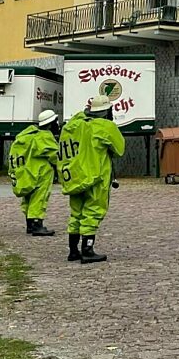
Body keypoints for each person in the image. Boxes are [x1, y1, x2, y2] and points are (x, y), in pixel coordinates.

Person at [58, 95, 125, 264]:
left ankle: (73, 251)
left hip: (75, 176)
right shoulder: (105, 127)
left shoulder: (72, 125)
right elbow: (119, 149)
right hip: (96, 177)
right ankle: (87, 250)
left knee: (76, 213)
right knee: (93, 212)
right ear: (107, 111)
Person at [10, 109, 62, 237]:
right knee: (39, 198)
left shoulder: (26, 135)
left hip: (26, 173)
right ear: (50, 123)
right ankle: (37, 224)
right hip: (41, 173)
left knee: (28, 198)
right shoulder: (44, 137)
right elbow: (56, 156)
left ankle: (30, 224)